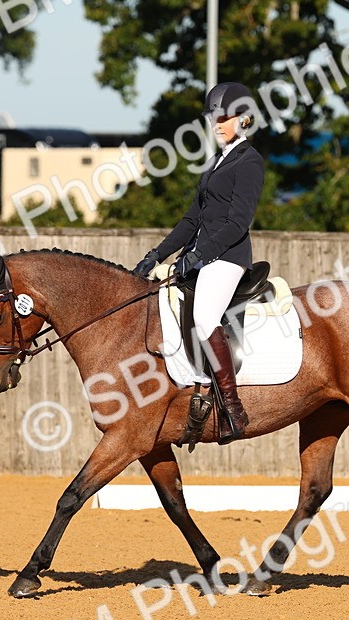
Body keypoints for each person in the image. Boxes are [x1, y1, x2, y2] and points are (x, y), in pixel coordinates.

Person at [133, 81, 265, 443]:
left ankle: (232, 407)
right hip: (202, 256)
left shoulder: (249, 161)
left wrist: (198, 256)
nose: (217, 125)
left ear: (244, 119)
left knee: (205, 316)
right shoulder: (215, 162)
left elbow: (238, 223)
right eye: (213, 118)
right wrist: (158, 254)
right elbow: (192, 219)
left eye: (225, 118)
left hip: (228, 257)